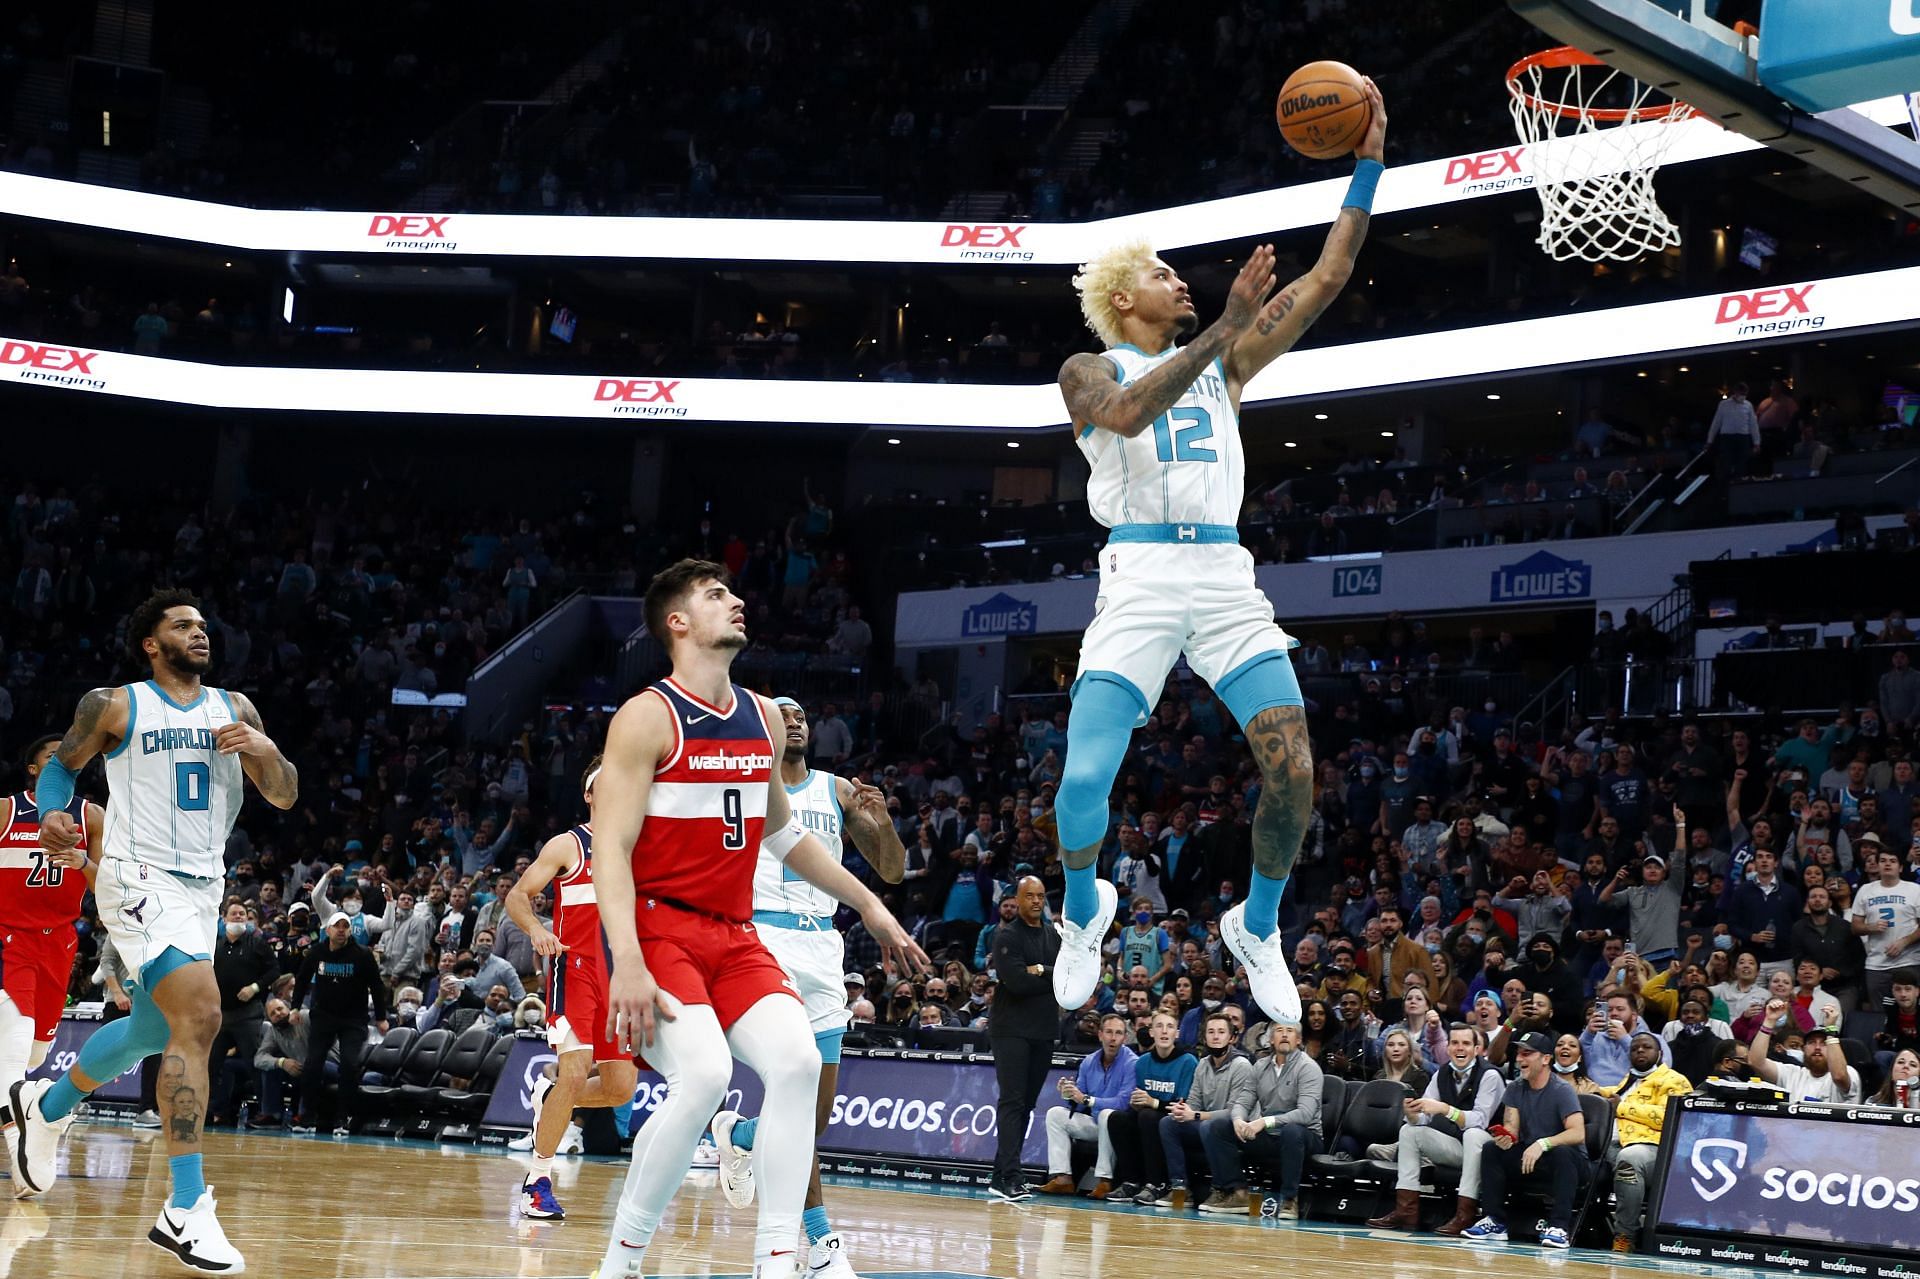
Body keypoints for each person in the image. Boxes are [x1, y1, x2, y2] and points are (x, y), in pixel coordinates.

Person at [1048, 86, 1389, 1024]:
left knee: (1295, 769)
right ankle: (1086, 910)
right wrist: (1220, 330)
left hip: (1225, 575)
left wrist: (1370, 160)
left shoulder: (1227, 361)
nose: (1180, 281)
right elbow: (1127, 414)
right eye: (1161, 273)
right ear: (1124, 297)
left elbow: (1326, 275)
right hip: (1142, 576)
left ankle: (1260, 923)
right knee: (1082, 782)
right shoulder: (1090, 370)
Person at [590, 561, 926, 1279]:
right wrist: (629, 963)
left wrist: (870, 903)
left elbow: (781, 834)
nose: (736, 600)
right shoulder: (648, 716)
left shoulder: (764, 715)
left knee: (800, 1061)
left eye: (734, 591)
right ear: (677, 622)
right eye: (715, 595)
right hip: (657, 928)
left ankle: (776, 1261)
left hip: (734, 933)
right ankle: (618, 1264)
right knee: (707, 1074)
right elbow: (611, 853)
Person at [17, 589, 297, 1271]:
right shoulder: (114, 702)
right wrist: (54, 811)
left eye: (202, 625)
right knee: (199, 1015)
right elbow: (62, 767)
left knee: (151, 1030)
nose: (199, 634)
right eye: (182, 625)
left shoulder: (236, 708)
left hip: (204, 884)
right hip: (138, 875)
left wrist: (264, 748)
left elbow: (284, 791)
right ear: (151, 641)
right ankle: (186, 1205)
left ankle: (47, 1104)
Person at [695, 694, 906, 1275]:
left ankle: (738, 1132)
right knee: (793, 1093)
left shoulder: (837, 791)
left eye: (802, 716)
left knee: (814, 1116)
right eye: (781, 714)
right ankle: (818, 1240)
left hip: (823, 944)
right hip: (761, 938)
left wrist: (882, 824)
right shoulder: (744, 784)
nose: (794, 721)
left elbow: (890, 869)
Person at [499, 757, 640, 1221]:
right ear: (588, 795)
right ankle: (537, 1181)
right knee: (576, 1072)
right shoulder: (569, 843)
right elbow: (517, 895)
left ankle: (552, 1097)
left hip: (620, 976)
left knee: (621, 1088)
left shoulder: (638, 847)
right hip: (574, 969)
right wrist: (537, 929)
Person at [0, 734, 102, 1184]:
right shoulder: (7, 810)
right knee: (16, 1042)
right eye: (52, 754)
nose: (64, 758)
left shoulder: (91, 816)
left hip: (60, 941)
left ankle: (24, 1115)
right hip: (9, 938)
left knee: (35, 1052)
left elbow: (106, 886)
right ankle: (19, 1150)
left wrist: (80, 861)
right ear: (34, 770)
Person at [1369, 1022, 1504, 1233]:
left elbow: (1481, 1120)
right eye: (1455, 1043)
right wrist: (1413, 1115)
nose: (1460, 1048)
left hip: (1488, 1151)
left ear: (1477, 1050)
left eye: (1466, 1043)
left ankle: (1465, 1214)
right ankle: (1406, 1210)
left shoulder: (1490, 1075)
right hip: (1456, 1147)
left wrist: (1445, 1109)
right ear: (1448, 1048)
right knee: (1409, 1131)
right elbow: (1426, 1116)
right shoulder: (1441, 1073)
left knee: (1474, 1134)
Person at [1461, 1031, 1589, 1249]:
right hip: (1531, 1158)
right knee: (1492, 1150)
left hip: (1569, 1163)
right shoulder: (1515, 1087)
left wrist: (1542, 1143)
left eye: (1527, 1054)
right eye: (1519, 1053)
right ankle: (1495, 1221)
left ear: (1546, 1059)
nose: (1519, 1059)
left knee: (1562, 1153)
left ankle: (1559, 1228)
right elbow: (1512, 1128)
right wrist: (1506, 1138)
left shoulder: (1562, 1090)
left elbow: (1577, 1133)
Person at [1197, 1018, 1324, 1218]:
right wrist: (1238, 1120)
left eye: (1289, 1031)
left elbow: (1305, 1114)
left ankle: (1290, 1199)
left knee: (1292, 1131)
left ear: (1298, 1039)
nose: (1284, 1034)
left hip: (1306, 1138)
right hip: (1268, 1135)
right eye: (1279, 1030)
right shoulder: (1260, 1066)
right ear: (1271, 1040)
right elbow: (1243, 1101)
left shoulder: (1308, 1068)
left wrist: (1264, 1121)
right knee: (1214, 1127)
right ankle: (1237, 1192)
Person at [987, 875, 1062, 1203]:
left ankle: (999, 1175)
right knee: (1013, 1101)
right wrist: (1050, 975)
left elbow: (1065, 977)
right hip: (1011, 1029)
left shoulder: (1053, 935)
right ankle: (1012, 1177)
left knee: (1026, 1105)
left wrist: (1041, 970)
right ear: (1017, 899)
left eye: (1040, 896)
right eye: (1029, 895)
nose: (1035, 901)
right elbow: (1016, 982)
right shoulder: (1006, 935)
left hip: (1044, 1029)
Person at [290, 910, 387, 1135]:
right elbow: (302, 979)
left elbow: (377, 985)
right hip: (323, 1016)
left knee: (349, 1065)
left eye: (346, 926)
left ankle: (343, 1119)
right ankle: (307, 1118)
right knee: (313, 1064)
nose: (341, 930)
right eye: (338, 926)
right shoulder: (317, 951)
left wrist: (381, 1017)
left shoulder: (362, 954)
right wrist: (295, 1007)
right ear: (328, 930)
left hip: (353, 1019)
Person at [1598, 1030, 1693, 1252]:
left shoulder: (1673, 1080)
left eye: (1646, 1047)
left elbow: (1669, 1117)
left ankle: (1625, 1236)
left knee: (1629, 1159)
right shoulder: (1629, 1080)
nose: (1639, 1050)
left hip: (1654, 1149)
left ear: (1660, 1053)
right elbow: (1607, 1094)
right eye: (1634, 1048)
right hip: (1611, 1145)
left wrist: (1621, 1107)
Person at [1159, 1009, 1255, 1209]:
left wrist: (1194, 1114)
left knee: (1209, 1126)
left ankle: (1227, 1189)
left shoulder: (1242, 1065)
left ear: (1231, 1038)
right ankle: (1180, 1188)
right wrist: (1183, 1109)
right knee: (1168, 1122)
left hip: (1236, 1128)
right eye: (1211, 1032)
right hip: (1207, 1125)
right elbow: (1194, 1099)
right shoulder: (1202, 1064)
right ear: (1204, 1037)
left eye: (1221, 1032)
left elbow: (1235, 1111)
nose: (1216, 1036)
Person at [1037, 1012, 1137, 1198]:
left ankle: (1105, 1181)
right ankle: (1063, 1178)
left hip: (1120, 1129)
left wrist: (1086, 1099)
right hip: (1095, 1124)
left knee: (1108, 1114)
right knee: (1055, 1114)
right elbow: (1079, 1103)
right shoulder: (1088, 1062)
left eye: (1118, 1033)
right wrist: (1069, 1094)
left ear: (1124, 1037)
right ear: (1100, 1034)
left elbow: (1123, 1103)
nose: (1113, 1038)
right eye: (1109, 1032)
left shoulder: (1132, 1063)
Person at [1104, 1009, 1196, 1203]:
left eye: (1170, 1027)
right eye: (1159, 1026)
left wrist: (1152, 1103)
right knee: (1117, 1118)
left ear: (1177, 1033)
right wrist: (1136, 1103)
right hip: (1148, 1116)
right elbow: (1140, 1099)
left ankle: (1157, 1183)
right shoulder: (1142, 1062)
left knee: (1148, 1116)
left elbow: (1183, 1105)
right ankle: (1130, 1181)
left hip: (1176, 1120)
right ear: (1151, 1032)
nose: (1164, 1031)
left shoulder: (1188, 1061)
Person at [1850, 842, 1920, 1006]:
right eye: (1883, 860)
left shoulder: (1915, 890)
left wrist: (1905, 941)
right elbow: (1854, 927)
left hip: (1909, 961)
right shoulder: (1865, 890)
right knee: (1878, 1015)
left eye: (1892, 861)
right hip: (1876, 964)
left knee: (1911, 1011)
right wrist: (1870, 927)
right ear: (1877, 865)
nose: (1887, 864)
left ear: (1901, 867)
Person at [1749, 1002, 1857, 1101]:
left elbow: (1839, 1076)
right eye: (1811, 1042)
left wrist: (1831, 1030)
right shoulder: (1793, 1074)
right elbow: (1756, 1062)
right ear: (1803, 1049)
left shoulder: (1849, 1072)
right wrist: (1769, 1021)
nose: (1818, 1047)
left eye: (1824, 1043)